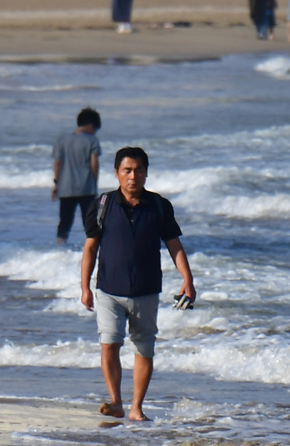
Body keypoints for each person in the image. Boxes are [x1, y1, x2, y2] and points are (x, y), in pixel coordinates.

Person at [80, 147, 195, 421]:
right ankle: (117, 401)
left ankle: (136, 408)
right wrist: (85, 287)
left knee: (144, 347)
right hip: (109, 289)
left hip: (146, 290)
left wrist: (187, 280)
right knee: (109, 343)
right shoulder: (102, 205)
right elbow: (90, 249)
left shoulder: (159, 206)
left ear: (146, 173)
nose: (133, 176)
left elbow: (174, 246)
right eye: (127, 170)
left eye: (138, 170)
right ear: (117, 173)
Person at [52, 108, 102, 245]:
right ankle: (92, 249)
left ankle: (60, 248)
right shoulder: (92, 140)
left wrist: (56, 183)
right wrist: (95, 183)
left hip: (66, 188)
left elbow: (57, 163)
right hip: (87, 188)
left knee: (65, 221)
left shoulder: (63, 140)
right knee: (90, 222)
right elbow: (94, 164)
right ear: (91, 126)